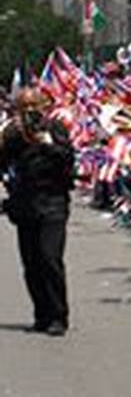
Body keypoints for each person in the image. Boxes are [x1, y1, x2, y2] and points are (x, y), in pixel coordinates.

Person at [0, 88, 77, 336]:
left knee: (49, 257)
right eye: (24, 107)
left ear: (43, 106)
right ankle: (41, 315)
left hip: (53, 201)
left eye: (34, 106)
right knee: (31, 263)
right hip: (25, 204)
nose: (30, 111)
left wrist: (48, 144)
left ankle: (58, 316)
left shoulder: (54, 129)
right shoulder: (12, 133)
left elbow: (68, 160)